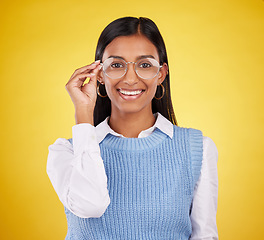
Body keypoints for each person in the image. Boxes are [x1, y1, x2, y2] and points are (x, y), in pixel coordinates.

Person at [47, 16, 218, 240]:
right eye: (116, 65)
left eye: (145, 65)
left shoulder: (198, 149)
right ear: (99, 74)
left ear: (161, 74)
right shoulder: (66, 152)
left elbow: (204, 236)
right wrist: (83, 115)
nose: (130, 78)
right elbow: (90, 206)